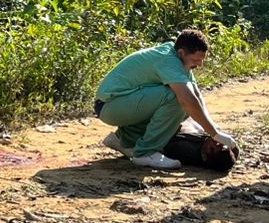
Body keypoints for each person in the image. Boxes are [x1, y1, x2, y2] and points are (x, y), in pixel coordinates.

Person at [96, 29, 240, 170]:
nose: (199, 65)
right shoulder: (169, 61)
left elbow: (197, 97)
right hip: (110, 105)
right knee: (177, 99)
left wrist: (215, 131)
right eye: (196, 60)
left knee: (188, 109)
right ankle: (146, 153)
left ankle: (125, 140)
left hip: (119, 104)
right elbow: (187, 100)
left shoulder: (179, 58)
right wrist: (215, 134)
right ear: (182, 53)